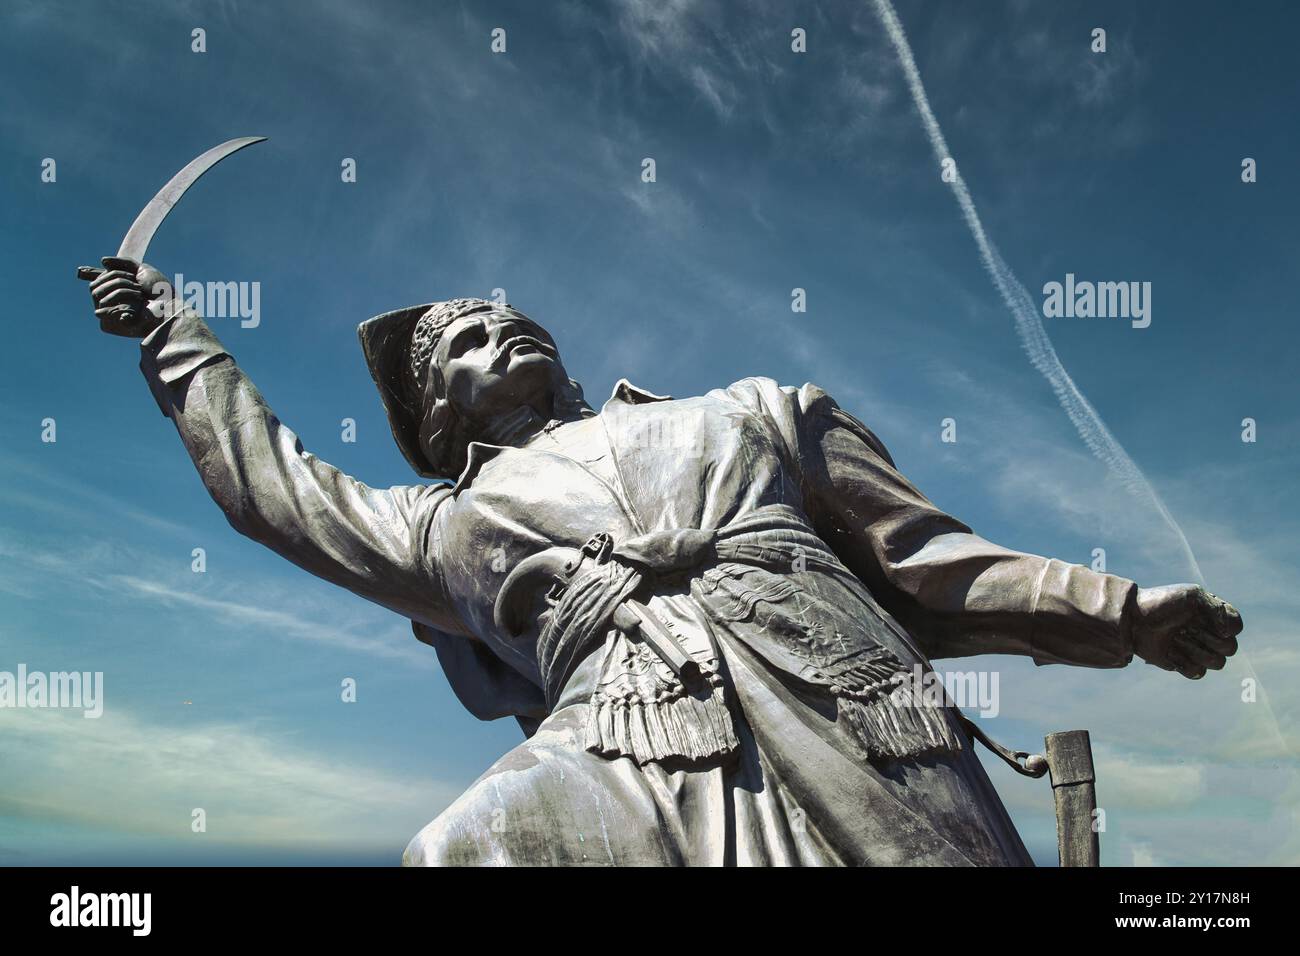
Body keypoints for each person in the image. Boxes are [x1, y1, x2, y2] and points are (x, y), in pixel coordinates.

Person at [87, 259, 1243, 866]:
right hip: (623, 734)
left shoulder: (755, 409)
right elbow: (278, 491)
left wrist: (1123, 611)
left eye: (512, 317)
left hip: (841, 693)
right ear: (440, 412)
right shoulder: (446, 526)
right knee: (463, 848)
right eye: (471, 341)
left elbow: (929, 557)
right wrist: (177, 340)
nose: (508, 331)